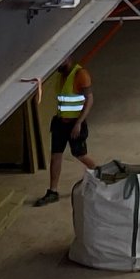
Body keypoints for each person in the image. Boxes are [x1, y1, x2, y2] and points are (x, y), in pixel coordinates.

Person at [33, 57, 97, 206]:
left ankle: (101, 175)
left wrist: (79, 123)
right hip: (60, 122)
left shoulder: (81, 74)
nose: (56, 66)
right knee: (56, 156)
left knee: (80, 154)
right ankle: (52, 191)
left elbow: (90, 100)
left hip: (75, 123)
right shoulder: (61, 76)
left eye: (59, 62)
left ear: (67, 59)